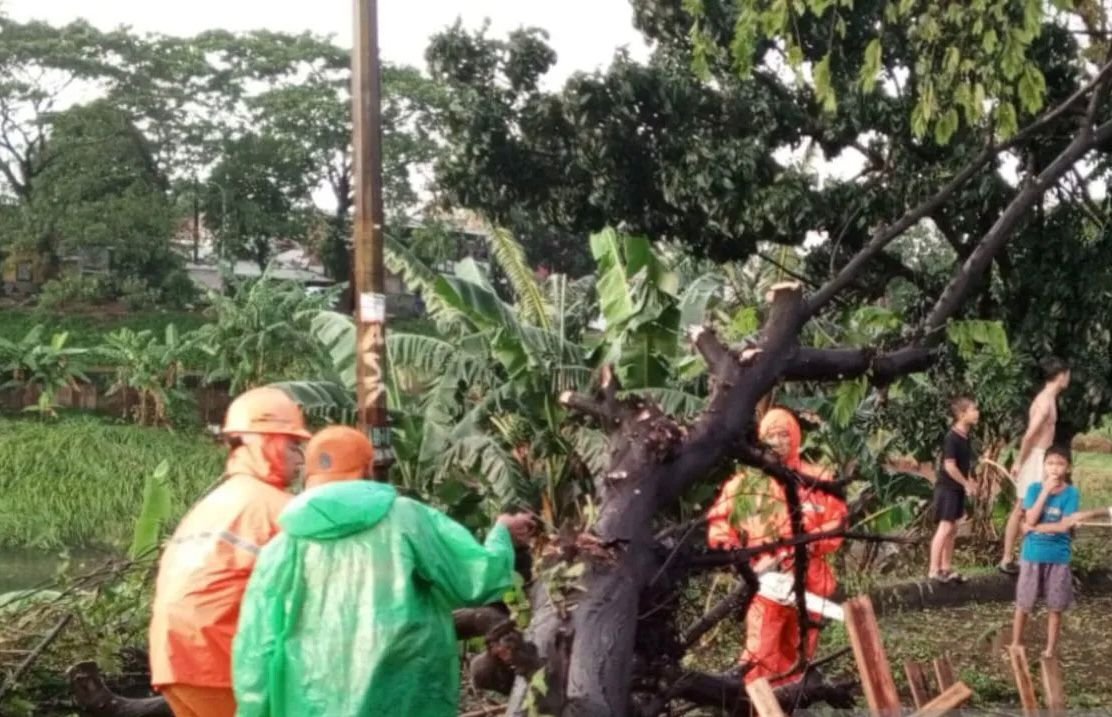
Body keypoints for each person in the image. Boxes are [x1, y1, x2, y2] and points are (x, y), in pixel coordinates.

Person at [232, 425, 536, 717]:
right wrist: (502, 535)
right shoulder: (407, 518)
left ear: (310, 478)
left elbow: (255, 650)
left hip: (310, 701)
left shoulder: (282, 547)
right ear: (366, 470)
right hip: (406, 697)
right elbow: (477, 579)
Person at [148, 387, 311, 717]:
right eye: (293, 445)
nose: (300, 458)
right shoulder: (278, 508)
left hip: (173, 659)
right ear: (269, 442)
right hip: (221, 662)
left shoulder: (216, 502)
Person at [706, 408, 848, 686]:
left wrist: (805, 544)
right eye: (771, 436)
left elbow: (837, 523)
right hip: (765, 584)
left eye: (784, 435)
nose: (779, 442)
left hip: (811, 584)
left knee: (800, 653)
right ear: (762, 440)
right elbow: (719, 525)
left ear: (795, 437)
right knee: (760, 654)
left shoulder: (819, 480)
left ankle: (788, 704)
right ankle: (757, 707)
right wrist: (742, 561)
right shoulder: (745, 485)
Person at [1010, 445, 1111, 657]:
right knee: (1023, 603)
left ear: (1068, 468)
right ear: (1044, 466)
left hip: (1058, 557)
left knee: (1055, 607)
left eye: (1060, 464)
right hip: (1031, 556)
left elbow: (1064, 526)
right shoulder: (1034, 489)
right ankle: (1016, 643)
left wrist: (1035, 528)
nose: (1055, 468)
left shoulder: (1071, 493)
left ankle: (1050, 649)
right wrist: (1045, 491)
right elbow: (1029, 517)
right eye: (1050, 463)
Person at [1000, 359, 1071, 575]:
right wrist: (1020, 462)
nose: (1069, 379)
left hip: (1043, 456)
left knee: (1033, 507)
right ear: (1060, 376)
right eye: (1067, 374)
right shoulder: (1044, 401)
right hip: (1037, 457)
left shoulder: (1049, 399)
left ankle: (1024, 558)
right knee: (1023, 506)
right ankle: (1007, 558)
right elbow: (1030, 435)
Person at [928, 396, 980, 583]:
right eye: (973, 410)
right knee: (945, 526)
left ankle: (946, 567)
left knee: (953, 528)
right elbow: (949, 466)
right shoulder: (952, 437)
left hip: (956, 488)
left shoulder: (965, 437)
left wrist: (969, 481)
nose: (977, 413)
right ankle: (934, 569)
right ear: (961, 414)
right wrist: (966, 484)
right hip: (947, 488)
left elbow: (963, 464)